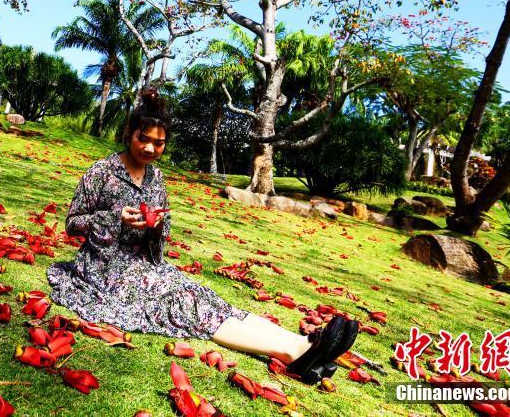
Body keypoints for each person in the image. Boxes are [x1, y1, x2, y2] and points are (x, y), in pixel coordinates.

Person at [46, 89, 358, 384]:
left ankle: (303, 342)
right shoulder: (101, 172)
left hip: (147, 264)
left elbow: (160, 226)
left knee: (205, 296)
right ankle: (293, 354)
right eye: (144, 139)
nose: (151, 148)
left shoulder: (157, 176)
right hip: (107, 268)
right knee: (183, 304)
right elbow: (72, 224)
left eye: (160, 142)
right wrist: (116, 218)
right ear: (130, 133)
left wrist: (157, 226)